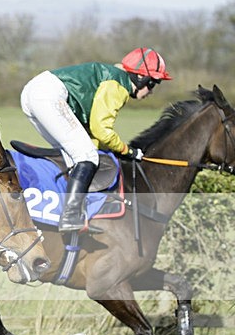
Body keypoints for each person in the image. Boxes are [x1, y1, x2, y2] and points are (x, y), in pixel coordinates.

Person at [20, 47, 171, 233]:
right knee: (87, 156)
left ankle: (65, 211)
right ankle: (70, 217)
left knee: (74, 156)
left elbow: (92, 131)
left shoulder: (112, 77)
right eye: (153, 83)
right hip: (48, 96)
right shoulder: (118, 85)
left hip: (33, 93)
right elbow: (101, 130)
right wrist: (127, 150)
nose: (151, 91)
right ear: (141, 78)